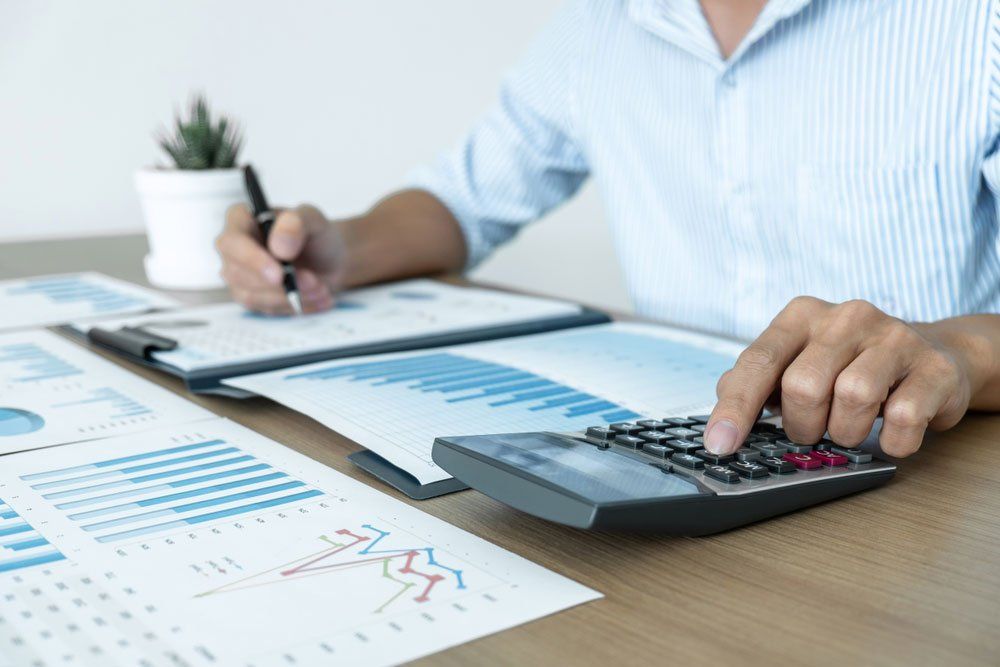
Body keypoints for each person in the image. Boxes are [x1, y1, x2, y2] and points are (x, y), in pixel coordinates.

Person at [216, 0, 1000, 460]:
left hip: (932, 477)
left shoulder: (973, 23)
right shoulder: (598, 25)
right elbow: (465, 200)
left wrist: (953, 353)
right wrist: (341, 251)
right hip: (684, 454)